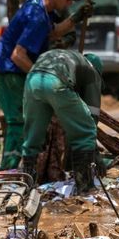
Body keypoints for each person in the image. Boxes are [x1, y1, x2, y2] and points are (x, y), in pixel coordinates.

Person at [0, 0, 88, 170]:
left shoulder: (43, 7)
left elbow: (52, 32)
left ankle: (17, 170)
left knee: (27, 121)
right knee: (18, 122)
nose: (70, 3)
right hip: (8, 72)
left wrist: (74, 19)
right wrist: (44, 76)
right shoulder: (36, 15)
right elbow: (18, 56)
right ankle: (8, 171)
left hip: (16, 71)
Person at [21, 49, 103, 192]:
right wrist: (93, 149)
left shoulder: (71, 58)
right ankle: (85, 187)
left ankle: (27, 186)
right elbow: (92, 113)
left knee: (32, 136)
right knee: (86, 131)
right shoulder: (92, 71)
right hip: (56, 82)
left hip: (32, 80)